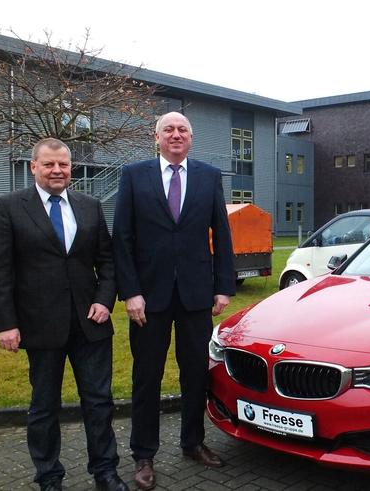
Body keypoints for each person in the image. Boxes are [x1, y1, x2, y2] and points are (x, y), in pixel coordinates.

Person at [0, 138, 128, 491]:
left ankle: (105, 472)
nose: (57, 170)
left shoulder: (90, 206)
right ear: (34, 166)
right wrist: (5, 324)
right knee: (44, 406)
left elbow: (107, 261)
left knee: (99, 402)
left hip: (90, 324)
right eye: (49, 164)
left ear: (71, 167)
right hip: (40, 325)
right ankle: (49, 476)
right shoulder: (8, 207)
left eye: (63, 164)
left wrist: (104, 300)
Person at [112, 112, 236, 490]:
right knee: (146, 377)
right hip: (149, 298)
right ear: (157, 137)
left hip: (196, 295)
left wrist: (223, 286)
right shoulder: (134, 176)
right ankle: (143, 455)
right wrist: (130, 292)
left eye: (182, 129)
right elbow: (122, 238)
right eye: (169, 129)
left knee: (195, 372)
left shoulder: (209, 176)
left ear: (191, 138)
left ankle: (192, 442)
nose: (176, 134)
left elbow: (222, 234)